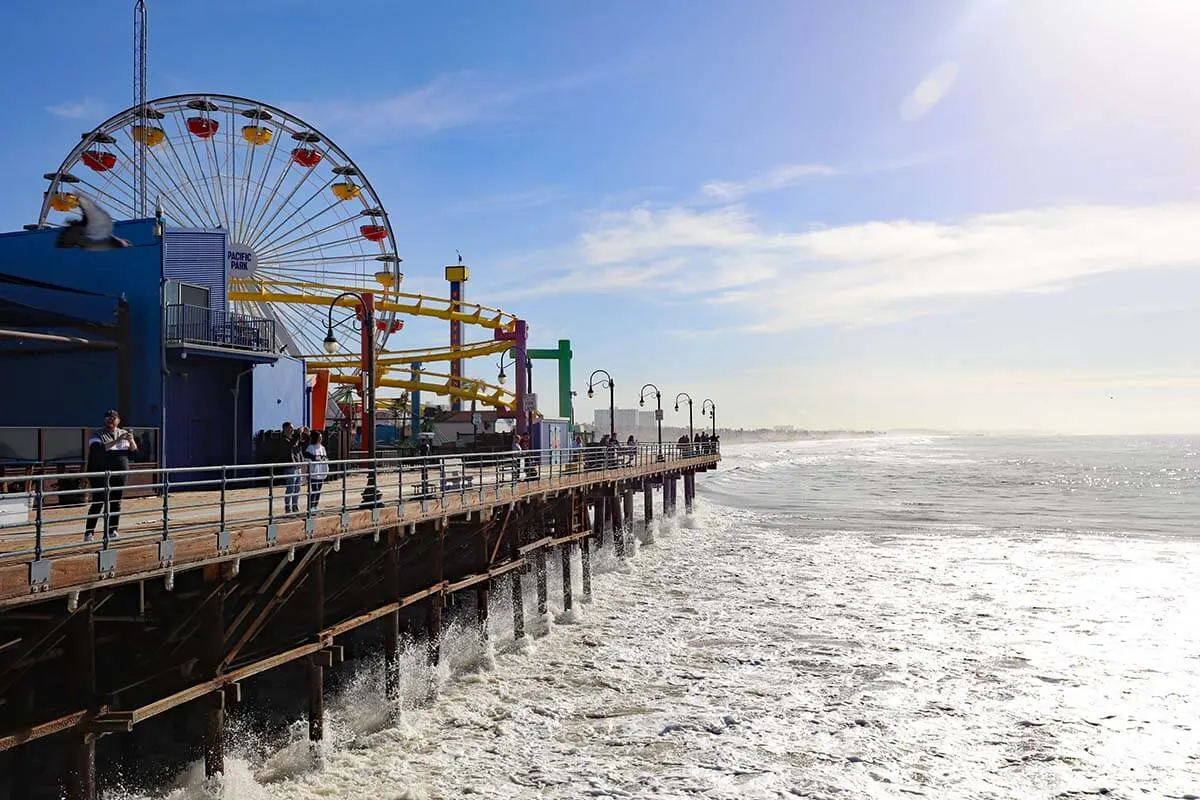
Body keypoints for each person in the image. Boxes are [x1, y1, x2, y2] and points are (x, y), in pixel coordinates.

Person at [84, 409, 138, 541]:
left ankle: (112, 530)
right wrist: (117, 439)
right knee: (98, 501)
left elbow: (135, 454)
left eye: (113, 418)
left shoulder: (124, 433)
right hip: (100, 474)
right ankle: (89, 533)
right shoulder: (97, 434)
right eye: (108, 418)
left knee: (116, 502)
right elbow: (99, 450)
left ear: (118, 420)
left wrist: (131, 441)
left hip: (119, 474)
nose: (110, 420)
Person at [281, 422, 305, 513]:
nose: (292, 430)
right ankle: (288, 506)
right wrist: (298, 434)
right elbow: (291, 445)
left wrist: (304, 434)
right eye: (290, 428)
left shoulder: (294, 439)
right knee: (290, 488)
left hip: (297, 466)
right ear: (285, 429)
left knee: (297, 488)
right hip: (290, 467)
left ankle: (295, 505)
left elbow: (302, 446)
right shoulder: (284, 439)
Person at [304, 430, 329, 512]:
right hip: (314, 472)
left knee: (319, 490)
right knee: (315, 489)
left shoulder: (323, 448)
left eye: (321, 437)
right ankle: (311, 506)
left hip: (321, 471)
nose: (321, 439)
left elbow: (325, 458)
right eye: (319, 437)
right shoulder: (310, 447)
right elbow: (307, 459)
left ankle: (315, 505)